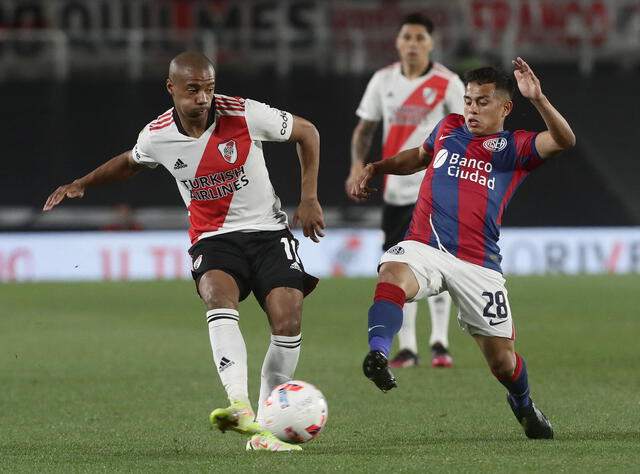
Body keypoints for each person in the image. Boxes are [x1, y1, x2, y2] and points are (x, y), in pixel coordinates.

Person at [43, 51, 325, 452]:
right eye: (193, 89)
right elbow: (130, 161)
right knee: (217, 296)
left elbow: (308, 132)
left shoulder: (245, 113)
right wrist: (83, 183)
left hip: (267, 231)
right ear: (171, 88)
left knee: (288, 320)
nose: (203, 98)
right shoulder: (157, 135)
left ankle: (266, 427)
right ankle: (240, 407)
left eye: (209, 88)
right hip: (213, 238)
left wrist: (309, 197)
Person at [352, 58, 575, 439]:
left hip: (478, 263)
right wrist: (377, 167)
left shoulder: (514, 147)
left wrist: (538, 99)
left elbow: (564, 140)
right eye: (468, 100)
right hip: (425, 246)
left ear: (505, 107)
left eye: (483, 102)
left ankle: (523, 405)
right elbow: (419, 158)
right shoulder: (447, 127)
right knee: (391, 273)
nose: (472, 108)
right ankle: (379, 351)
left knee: (503, 363)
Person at [345, 13, 465, 368]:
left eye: (419, 38)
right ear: (397, 42)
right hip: (395, 194)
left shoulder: (448, 83)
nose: (412, 44)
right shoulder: (383, 81)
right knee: (397, 267)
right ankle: (408, 348)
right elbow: (364, 130)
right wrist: (356, 165)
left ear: (431, 43)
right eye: (407, 37)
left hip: (436, 190)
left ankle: (440, 344)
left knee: (438, 264)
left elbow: (468, 130)